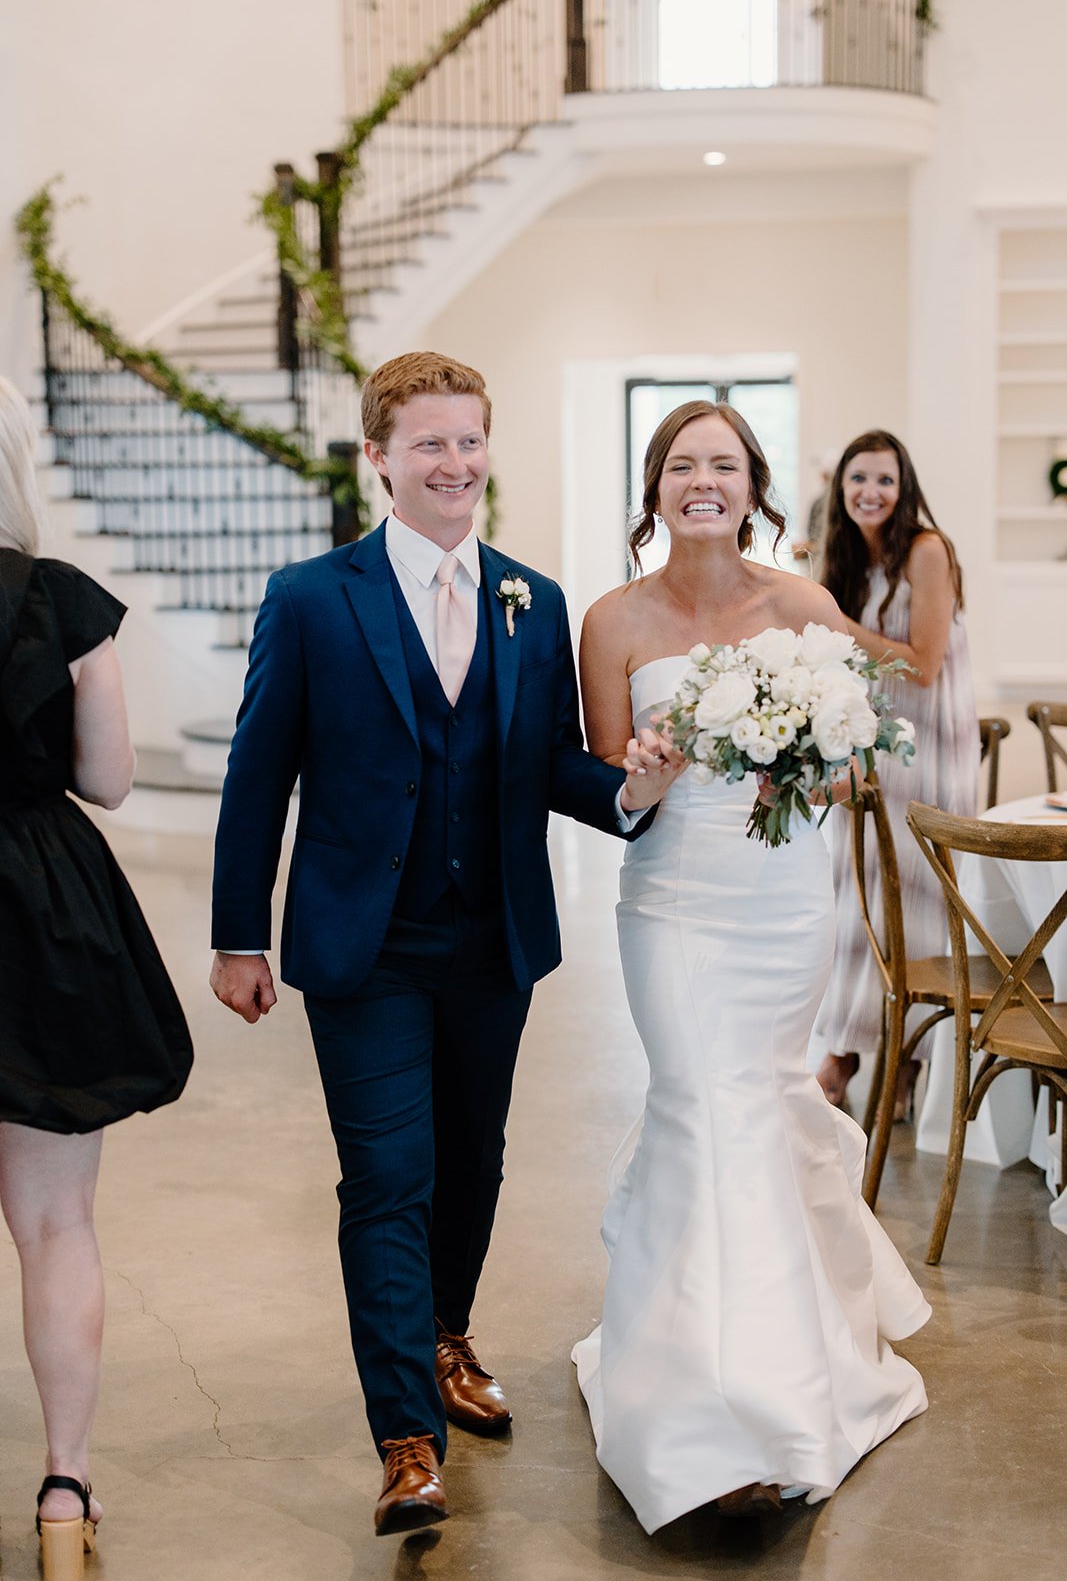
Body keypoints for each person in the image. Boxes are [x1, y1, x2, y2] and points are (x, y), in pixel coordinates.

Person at [208, 352, 679, 1537]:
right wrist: (235, 935)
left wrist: (631, 788)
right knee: (387, 1179)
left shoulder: (534, 601)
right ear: (379, 457)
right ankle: (405, 1435)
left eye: (468, 440)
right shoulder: (313, 597)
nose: (454, 464)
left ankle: (446, 1332)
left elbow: (549, 771)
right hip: (361, 946)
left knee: (473, 1161)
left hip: (492, 940)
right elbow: (258, 776)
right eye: (427, 443)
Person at [572, 400, 930, 1533]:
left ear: (753, 483)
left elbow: (846, 766)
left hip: (779, 907)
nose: (702, 481)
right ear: (654, 486)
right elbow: (601, 786)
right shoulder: (612, 619)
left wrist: (807, 775)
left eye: (722, 464)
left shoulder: (803, 607)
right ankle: (693, 1410)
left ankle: (774, 1377)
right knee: (698, 1105)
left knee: (763, 1107)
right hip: (672, 905)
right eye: (681, 464)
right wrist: (644, 771)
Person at [0, 376, 193, 1581]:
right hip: (37, 914)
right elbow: (112, 779)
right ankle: (66, 1487)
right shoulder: (60, 599)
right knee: (57, 1221)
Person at [810, 429, 978, 1115]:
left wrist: (834, 624)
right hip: (873, 749)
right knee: (851, 901)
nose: (869, 493)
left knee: (910, 909)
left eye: (883, 480)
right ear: (840, 489)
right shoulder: (851, 561)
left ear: (903, 487)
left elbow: (924, 664)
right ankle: (846, 1049)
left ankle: (887, 1061)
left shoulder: (926, 551)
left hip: (930, 754)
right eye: (857, 480)